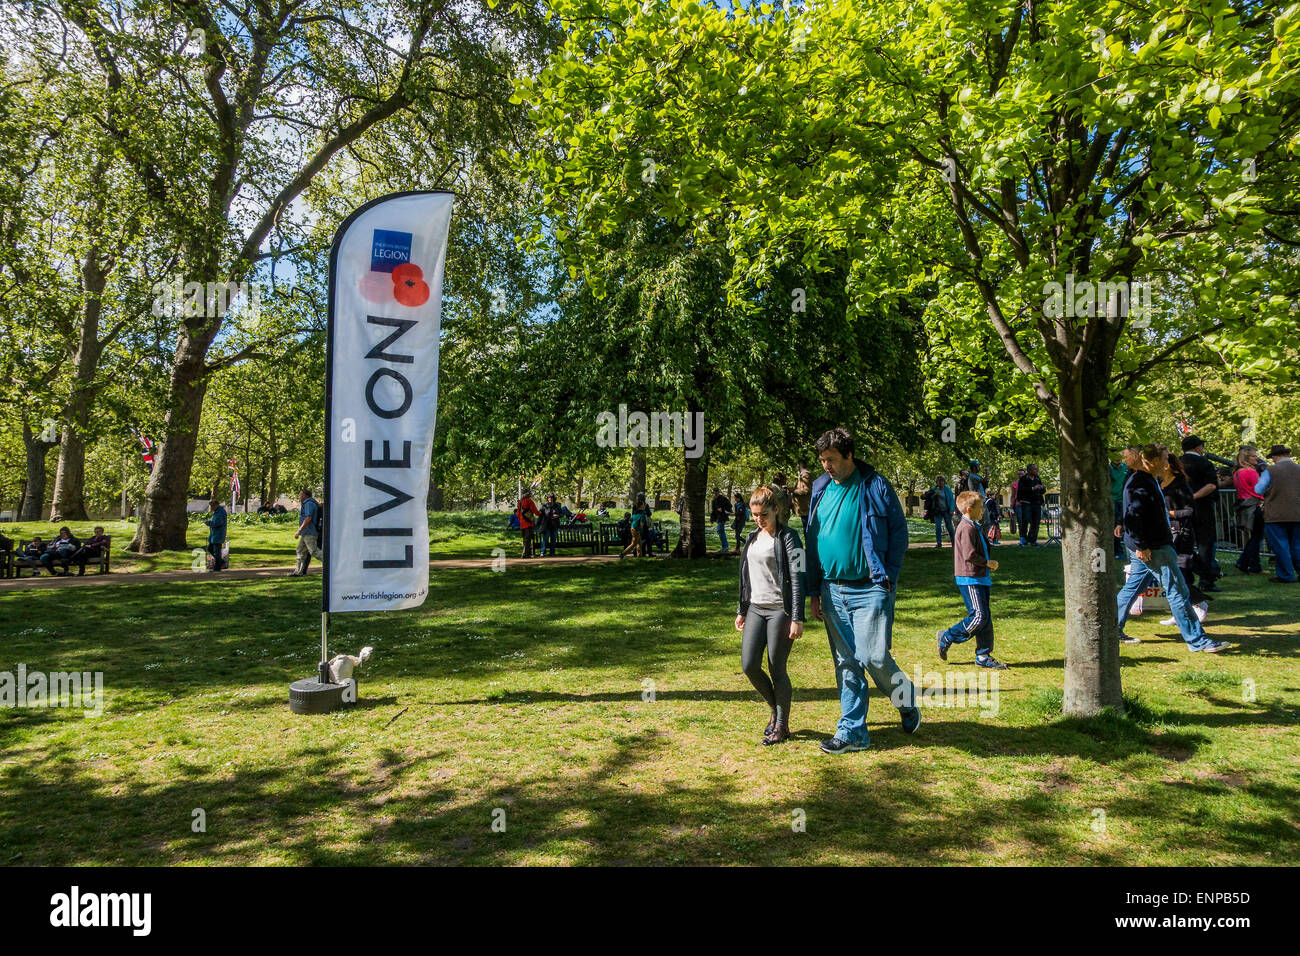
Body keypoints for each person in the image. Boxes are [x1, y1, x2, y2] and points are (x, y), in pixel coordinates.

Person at [806, 427, 919, 753]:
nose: (826, 466)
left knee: (873, 656)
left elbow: (899, 534)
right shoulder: (820, 488)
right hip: (832, 590)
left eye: (831, 460)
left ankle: (906, 700)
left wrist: (889, 578)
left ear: (849, 455)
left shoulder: (875, 485)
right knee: (846, 661)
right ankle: (853, 732)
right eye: (822, 460)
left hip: (870, 588)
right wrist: (815, 590)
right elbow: (813, 541)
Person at [1116, 444, 1228, 652]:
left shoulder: (1147, 480)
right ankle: (1198, 641)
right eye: (1165, 459)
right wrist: (1141, 545)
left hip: (1150, 545)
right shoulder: (1141, 482)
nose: (1168, 463)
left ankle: (1111, 630)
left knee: (1134, 587)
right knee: (1178, 591)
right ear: (1154, 461)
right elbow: (1134, 515)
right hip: (1153, 547)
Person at [735, 484, 806, 745]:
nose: (758, 519)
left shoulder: (790, 538)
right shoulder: (753, 537)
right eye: (754, 515)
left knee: (777, 669)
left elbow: (799, 577)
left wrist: (797, 617)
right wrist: (742, 609)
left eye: (763, 514)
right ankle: (775, 711)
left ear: (776, 510)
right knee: (749, 665)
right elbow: (746, 575)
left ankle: (782, 726)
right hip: (755, 607)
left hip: (780, 610)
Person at [937, 491, 1007, 668]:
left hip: (980, 577)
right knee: (978, 616)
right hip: (970, 578)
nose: (983, 510)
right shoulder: (966, 527)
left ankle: (983, 655)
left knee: (986, 617)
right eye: (980, 507)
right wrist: (988, 563)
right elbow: (969, 555)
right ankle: (948, 636)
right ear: (969, 509)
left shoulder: (973, 525)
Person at [1160, 449, 1210, 622]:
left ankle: (1198, 602)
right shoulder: (1159, 484)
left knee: (1181, 572)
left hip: (1182, 534)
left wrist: (1168, 513)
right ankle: (1182, 610)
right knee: (1171, 574)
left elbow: (1189, 511)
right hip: (1167, 533)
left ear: (1170, 467)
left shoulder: (1181, 485)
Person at [1179, 435, 1222, 592]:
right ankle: (1206, 579)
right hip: (1202, 508)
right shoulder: (1205, 463)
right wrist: (1194, 497)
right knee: (1206, 544)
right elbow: (1211, 486)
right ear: (1198, 447)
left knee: (1184, 543)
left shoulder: (1176, 463)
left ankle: (1185, 577)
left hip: (1180, 509)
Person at [1256, 444, 1300, 583]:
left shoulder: (1271, 471)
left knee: (1281, 546)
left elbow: (1259, 489)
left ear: (1276, 456)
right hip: (1297, 512)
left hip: (1276, 513)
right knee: (1298, 545)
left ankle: (1286, 575)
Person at [1233, 446, 1266, 575]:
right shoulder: (1250, 472)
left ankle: (1252, 565)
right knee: (1257, 537)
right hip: (1253, 505)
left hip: (1244, 505)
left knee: (1253, 537)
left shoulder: (1237, 472)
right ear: (1246, 458)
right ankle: (1244, 562)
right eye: (1253, 456)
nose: (1256, 458)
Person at [291, 488, 324, 576]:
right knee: (300, 551)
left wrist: (299, 530)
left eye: (301, 495)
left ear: (305, 496)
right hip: (306, 532)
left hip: (309, 532)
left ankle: (331, 563)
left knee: (314, 551)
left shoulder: (308, 503)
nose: (299, 496)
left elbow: (308, 518)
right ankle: (298, 572)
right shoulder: (309, 503)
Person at [1110, 449, 1134, 559]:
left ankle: (1129, 548)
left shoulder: (1126, 468)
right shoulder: (1108, 469)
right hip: (1114, 500)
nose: (1118, 459)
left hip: (1124, 500)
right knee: (1116, 525)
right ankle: (1118, 551)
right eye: (1115, 456)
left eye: (1119, 456)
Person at [1016, 463, 1046, 545]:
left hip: (1037, 503)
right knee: (1025, 520)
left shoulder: (1037, 478)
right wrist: (1033, 488)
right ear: (1029, 470)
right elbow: (1021, 491)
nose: (1037, 470)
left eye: (1037, 469)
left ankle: (1033, 539)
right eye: (1034, 469)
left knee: (1036, 522)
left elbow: (1042, 491)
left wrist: (1043, 488)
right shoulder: (1023, 479)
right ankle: (1023, 538)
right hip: (1026, 503)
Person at [927, 474, 956, 548]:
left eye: (942, 481)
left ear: (944, 482)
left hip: (946, 510)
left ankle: (954, 543)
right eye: (938, 481)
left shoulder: (947, 489)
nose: (940, 482)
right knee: (938, 527)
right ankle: (939, 543)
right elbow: (929, 498)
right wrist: (934, 495)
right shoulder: (934, 489)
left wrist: (952, 509)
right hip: (938, 511)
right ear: (936, 482)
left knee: (949, 527)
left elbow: (952, 500)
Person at [516, 490, 541, 558]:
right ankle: (525, 554)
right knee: (528, 538)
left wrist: (521, 519)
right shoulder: (529, 501)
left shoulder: (520, 502)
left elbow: (518, 513)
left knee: (525, 539)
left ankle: (528, 553)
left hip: (522, 523)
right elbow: (534, 510)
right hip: (529, 523)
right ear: (528, 494)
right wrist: (540, 514)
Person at [206, 498, 228, 571]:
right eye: (211, 506)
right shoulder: (216, 512)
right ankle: (221, 562)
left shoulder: (220, 513)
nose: (211, 508)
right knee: (210, 548)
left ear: (217, 505)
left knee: (217, 552)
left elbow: (218, 523)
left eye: (212, 506)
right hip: (214, 535)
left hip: (218, 535)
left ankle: (217, 567)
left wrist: (209, 523)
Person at [710, 487, 733, 553]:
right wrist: (712, 519)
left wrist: (722, 509)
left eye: (716, 491)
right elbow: (713, 510)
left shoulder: (723, 498)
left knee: (720, 530)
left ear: (718, 491)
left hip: (722, 517)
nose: (715, 492)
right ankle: (724, 547)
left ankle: (725, 547)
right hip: (717, 517)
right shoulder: (714, 500)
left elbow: (729, 506)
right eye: (714, 491)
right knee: (720, 531)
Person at [792, 461, 813, 528]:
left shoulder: (805, 475)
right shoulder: (803, 475)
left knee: (807, 528)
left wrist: (792, 491)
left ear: (799, 466)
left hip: (806, 507)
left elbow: (806, 490)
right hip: (804, 508)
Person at [1008, 467, 1026, 537]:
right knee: (1020, 522)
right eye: (1019, 474)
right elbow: (1012, 495)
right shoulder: (1014, 484)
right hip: (1018, 505)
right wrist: (1011, 505)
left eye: (1022, 474)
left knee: (1027, 521)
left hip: (1027, 505)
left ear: (1025, 474)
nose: (1020, 476)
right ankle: (1022, 537)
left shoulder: (1029, 483)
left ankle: (1029, 538)